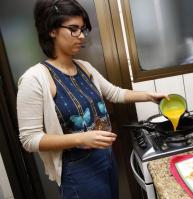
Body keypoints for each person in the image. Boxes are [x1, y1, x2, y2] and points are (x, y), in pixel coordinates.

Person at [16, 0, 168, 198]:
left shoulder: (84, 67)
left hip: (106, 158)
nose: (81, 36)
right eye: (74, 29)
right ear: (52, 30)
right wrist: (81, 138)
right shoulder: (35, 78)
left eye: (82, 29)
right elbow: (29, 139)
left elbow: (114, 93)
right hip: (78, 170)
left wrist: (149, 96)